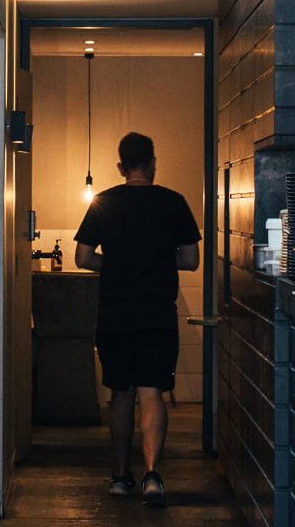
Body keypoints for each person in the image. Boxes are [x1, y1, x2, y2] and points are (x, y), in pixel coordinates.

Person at [73, 131, 200, 507]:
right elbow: (191, 260)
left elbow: (82, 258)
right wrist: (158, 261)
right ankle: (152, 476)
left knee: (120, 393)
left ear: (120, 166)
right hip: (157, 313)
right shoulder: (174, 202)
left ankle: (119, 476)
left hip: (114, 313)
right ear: (153, 163)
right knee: (152, 391)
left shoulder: (102, 202)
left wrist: (115, 265)